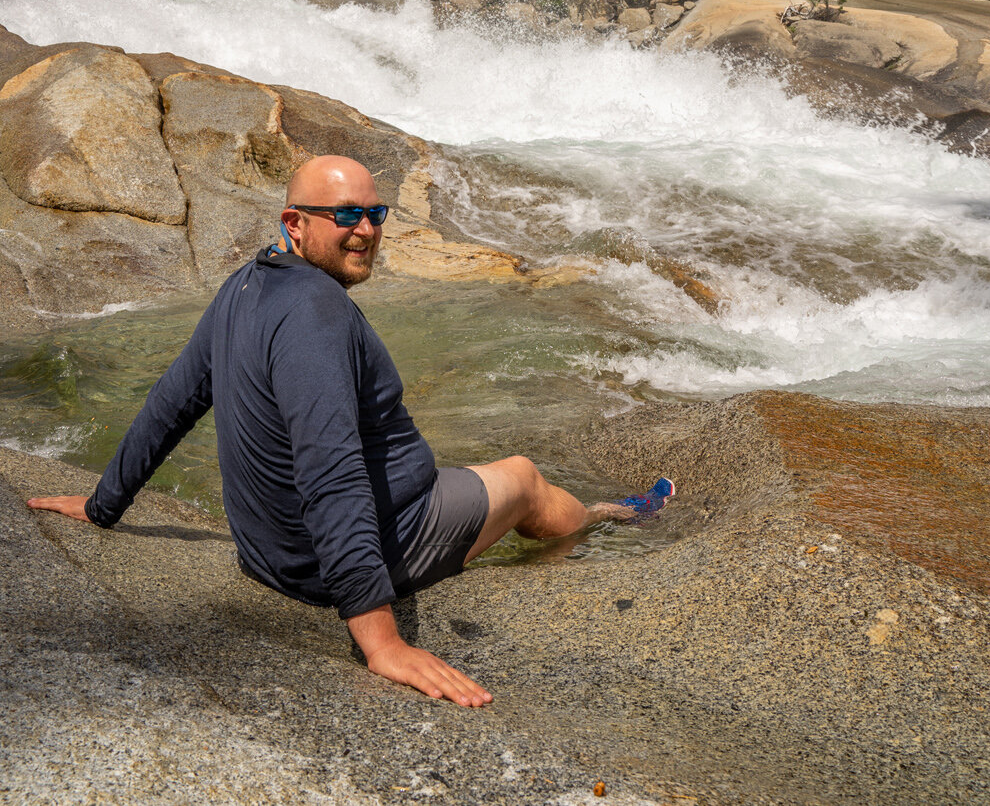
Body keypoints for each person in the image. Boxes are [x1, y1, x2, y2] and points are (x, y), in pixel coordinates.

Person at [28, 155, 672, 707]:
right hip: (342, 560)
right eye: (343, 216)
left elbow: (172, 402)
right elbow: (329, 470)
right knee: (524, 477)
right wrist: (382, 641)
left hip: (268, 554)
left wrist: (102, 504)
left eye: (374, 213)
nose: (364, 230)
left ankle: (590, 515)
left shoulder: (244, 285)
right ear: (295, 224)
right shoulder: (317, 312)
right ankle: (607, 517)